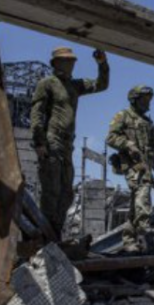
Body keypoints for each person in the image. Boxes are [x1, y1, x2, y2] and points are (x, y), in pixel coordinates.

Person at [31, 46, 109, 240]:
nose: (71, 64)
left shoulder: (74, 85)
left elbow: (101, 85)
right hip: (52, 141)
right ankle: (45, 235)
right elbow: (37, 114)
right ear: (56, 63)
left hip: (67, 145)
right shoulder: (47, 84)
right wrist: (39, 142)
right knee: (51, 190)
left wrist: (102, 64)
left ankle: (55, 233)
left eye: (72, 61)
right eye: (67, 61)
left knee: (67, 193)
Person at [106, 85, 154, 252]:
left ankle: (129, 241)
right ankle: (143, 226)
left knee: (135, 202)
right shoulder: (123, 116)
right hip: (133, 165)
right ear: (134, 100)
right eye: (144, 99)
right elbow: (111, 138)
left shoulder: (148, 123)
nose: (148, 103)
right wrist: (128, 144)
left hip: (148, 165)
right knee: (143, 188)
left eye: (149, 99)